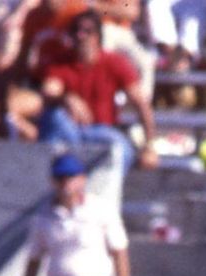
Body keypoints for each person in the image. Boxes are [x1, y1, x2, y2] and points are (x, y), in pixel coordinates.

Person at [20, 152, 131, 276]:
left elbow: (119, 253)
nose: (66, 184)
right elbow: (34, 260)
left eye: (70, 177)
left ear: (82, 179)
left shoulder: (100, 209)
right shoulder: (44, 216)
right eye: (60, 178)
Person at [35, 11, 159, 171]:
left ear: (97, 36)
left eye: (88, 31)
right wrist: (67, 98)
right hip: (69, 131)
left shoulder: (114, 62)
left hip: (101, 131)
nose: (81, 35)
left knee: (122, 149)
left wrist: (149, 146)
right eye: (76, 30)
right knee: (55, 117)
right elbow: (49, 91)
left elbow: (141, 103)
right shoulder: (61, 62)